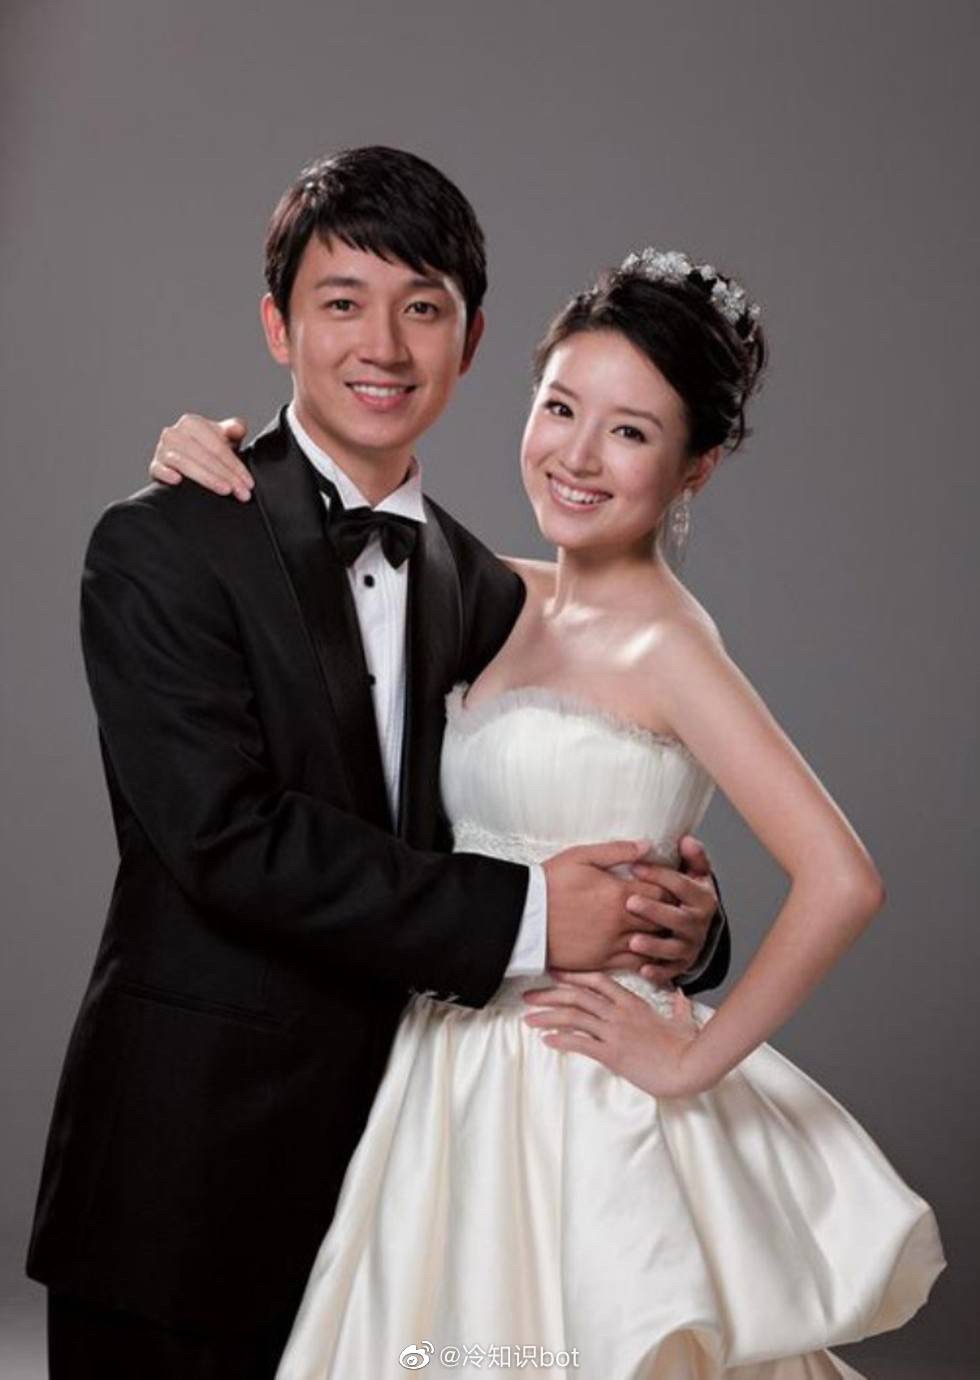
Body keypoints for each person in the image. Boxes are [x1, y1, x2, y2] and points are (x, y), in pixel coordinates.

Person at [156, 248, 945, 1379]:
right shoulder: (496, 590)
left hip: (578, 1088)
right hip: (447, 1070)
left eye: (629, 432)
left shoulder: (668, 646)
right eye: (561, 407)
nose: (576, 456)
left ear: (696, 466)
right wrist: (202, 449)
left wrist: (690, 1061)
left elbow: (842, 879)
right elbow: (312, 541)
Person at [25, 149, 729, 1380]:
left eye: (423, 309)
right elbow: (224, 838)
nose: (384, 348)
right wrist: (530, 916)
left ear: (471, 339)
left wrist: (675, 925)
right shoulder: (162, 543)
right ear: (277, 326)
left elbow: (537, 792)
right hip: (186, 1178)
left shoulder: (483, 585)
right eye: (341, 302)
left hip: (421, 1191)